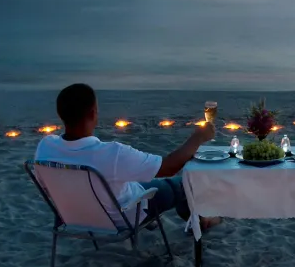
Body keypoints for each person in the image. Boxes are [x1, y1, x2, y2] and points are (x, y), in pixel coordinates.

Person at [35, 83, 220, 232]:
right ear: (93, 113)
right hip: (123, 217)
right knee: (183, 182)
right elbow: (168, 168)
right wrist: (198, 137)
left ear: (61, 115)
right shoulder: (111, 153)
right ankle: (204, 220)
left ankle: (189, 217)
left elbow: (45, 186)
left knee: (137, 184)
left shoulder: (45, 146)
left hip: (75, 217)